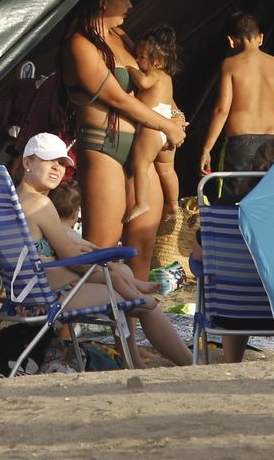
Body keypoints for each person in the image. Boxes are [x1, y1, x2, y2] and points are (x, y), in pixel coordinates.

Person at [14, 133, 193, 368]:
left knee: (124, 277)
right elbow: (74, 261)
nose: (58, 169)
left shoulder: (16, 200)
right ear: (27, 162)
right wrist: (113, 274)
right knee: (144, 305)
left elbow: (57, 246)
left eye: (61, 164)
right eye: (50, 162)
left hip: (27, 293)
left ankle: (134, 360)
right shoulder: (40, 204)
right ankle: (191, 365)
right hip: (49, 297)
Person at [62, 0, 186, 248]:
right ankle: (93, 290)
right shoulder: (80, 45)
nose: (131, 4)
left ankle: (136, 293)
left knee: (141, 249)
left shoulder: (122, 37)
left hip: (144, 147)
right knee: (102, 249)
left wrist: (177, 116)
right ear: (102, 1)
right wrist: (167, 126)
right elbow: (118, 99)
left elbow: (157, 83)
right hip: (105, 147)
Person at [198, 12, 274, 204]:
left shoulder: (230, 65)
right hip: (273, 143)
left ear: (231, 41)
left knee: (234, 201)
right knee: (269, 200)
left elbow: (221, 110)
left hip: (241, 142)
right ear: (260, 37)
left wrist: (207, 148)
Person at [121, 26, 185, 280]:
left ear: (157, 60)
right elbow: (172, 106)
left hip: (153, 124)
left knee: (140, 165)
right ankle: (172, 202)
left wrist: (131, 71)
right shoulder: (167, 79)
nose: (138, 60)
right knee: (167, 169)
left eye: (142, 57)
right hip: (166, 123)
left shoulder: (153, 75)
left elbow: (143, 82)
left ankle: (141, 202)